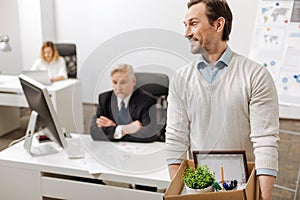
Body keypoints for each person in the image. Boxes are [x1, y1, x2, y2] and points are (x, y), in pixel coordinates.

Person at [165, 0, 279, 199]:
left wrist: (264, 197)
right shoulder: (181, 79)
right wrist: (182, 193)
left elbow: (265, 140)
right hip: (200, 188)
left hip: (243, 188)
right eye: (185, 25)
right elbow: (176, 139)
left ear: (218, 25)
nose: (187, 33)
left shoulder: (256, 75)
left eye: (193, 23)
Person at [90, 63, 159, 142]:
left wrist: (114, 130)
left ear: (133, 81)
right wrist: (126, 129)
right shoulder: (104, 99)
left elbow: (150, 134)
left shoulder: (147, 101)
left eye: (122, 82)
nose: (118, 88)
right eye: (115, 82)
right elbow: (95, 132)